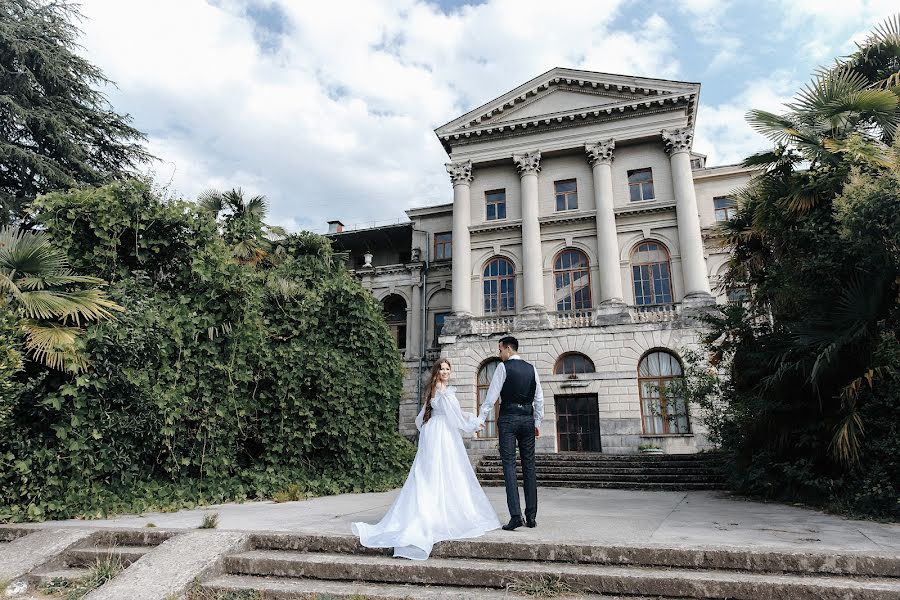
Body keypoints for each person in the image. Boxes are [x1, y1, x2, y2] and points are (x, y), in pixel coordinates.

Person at [352, 358, 500, 560]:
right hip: (442, 434)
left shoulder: (435, 389)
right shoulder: (442, 389)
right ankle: (438, 515)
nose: (445, 371)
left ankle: (433, 510)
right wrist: (473, 425)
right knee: (446, 472)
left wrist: (468, 420)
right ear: (436, 371)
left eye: (448, 369)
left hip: (434, 431)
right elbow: (454, 416)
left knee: (431, 473)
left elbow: (431, 417)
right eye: (442, 368)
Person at [477, 336, 543, 531]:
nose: (499, 355)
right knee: (529, 466)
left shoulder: (503, 368)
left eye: (500, 351)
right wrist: (537, 422)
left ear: (507, 349)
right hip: (527, 420)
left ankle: (516, 516)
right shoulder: (532, 369)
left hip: (508, 419)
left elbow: (491, 397)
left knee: (509, 466)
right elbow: (539, 398)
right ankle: (531, 517)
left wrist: (481, 419)